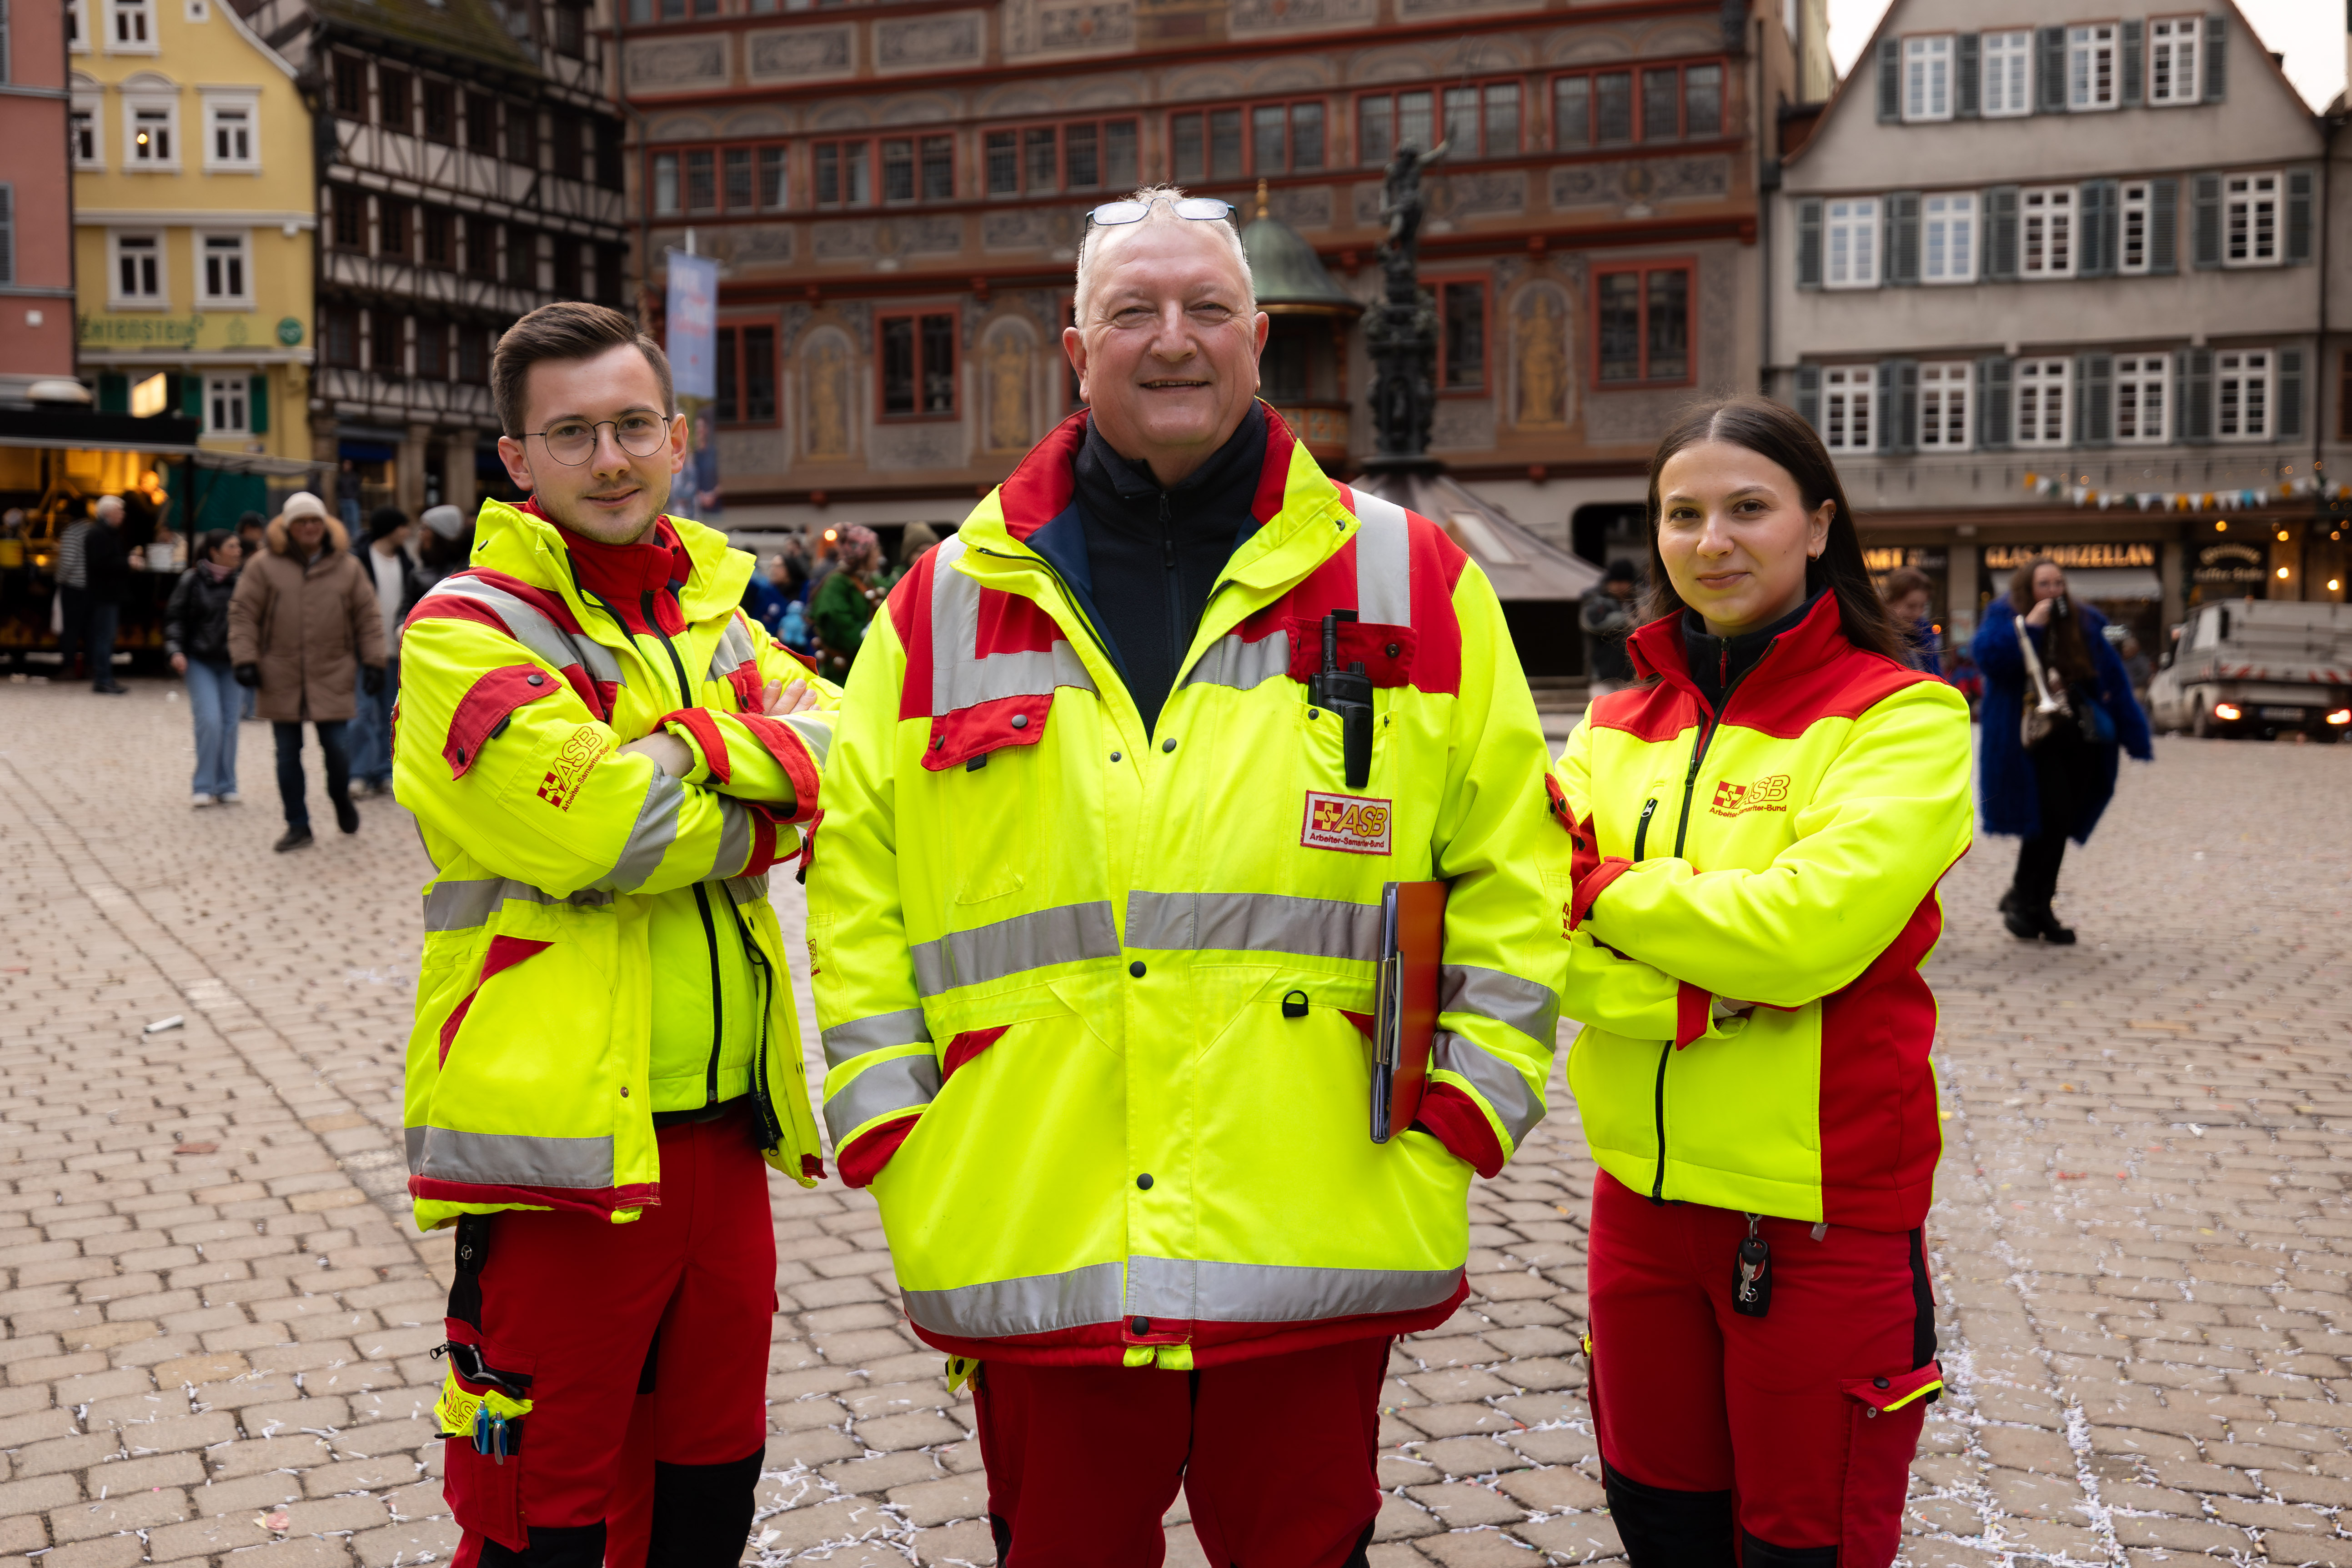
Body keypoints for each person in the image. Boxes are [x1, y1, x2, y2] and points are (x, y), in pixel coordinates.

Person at [807, 185, 1560, 1566]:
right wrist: (889, 1119)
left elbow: (1514, 857)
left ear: (1257, 337)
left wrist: (1472, 1097)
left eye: (1205, 309)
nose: (1171, 340)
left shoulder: (1409, 575)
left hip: (1318, 1196)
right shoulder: (943, 600)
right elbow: (857, 873)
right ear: (1072, 346)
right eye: (1132, 312)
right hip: (1030, 1205)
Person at [393, 301, 835, 1565]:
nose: (610, 459)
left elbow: (843, 750)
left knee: (710, 1490)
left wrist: (681, 751)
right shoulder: (461, 630)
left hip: (723, 1142)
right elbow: (601, 833)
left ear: (677, 438)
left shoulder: (721, 618)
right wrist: (761, 803)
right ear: (517, 461)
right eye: (572, 433)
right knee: (543, 1510)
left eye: (632, 426)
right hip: (559, 1161)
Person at [1550, 396, 1972, 1567]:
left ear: (1818, 522)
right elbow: (1538, 935)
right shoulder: (1616, 714)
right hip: (1637, 1200)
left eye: (1748, 508)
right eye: (1682, 515)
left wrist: (1605, 891)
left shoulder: (1903, 716)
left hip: (1818, 1204)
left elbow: (1801, 935)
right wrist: (1695, 995)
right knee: (1663, 1523)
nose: (1711, 541)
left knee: (1806, 1542)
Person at [1970, 558, 2152, 944]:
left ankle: (2037, 902)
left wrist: (2133, 732)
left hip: (2077, 738)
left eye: (2058, 583)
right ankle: (2025, 899)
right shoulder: (2005, 615)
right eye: (2044, 584)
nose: (2053, 591)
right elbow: (1992, 660)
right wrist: (2032, 627)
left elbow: (2111, 677)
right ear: (2027, 588)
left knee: (2060, 822)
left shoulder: (2084, 621)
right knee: (2048, 818)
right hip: (2032, 738)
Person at [227, 492, 386, 852]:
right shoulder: (263, 566)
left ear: (325, 525)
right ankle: (297, 823)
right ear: (288, 527)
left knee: (338, 750)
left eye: (315, 520)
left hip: (333, 671)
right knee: (287, 753)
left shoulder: (347, 567)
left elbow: (368, 616)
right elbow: (243, 613)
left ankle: (340, 797)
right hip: (279, 673)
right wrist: (245, 659)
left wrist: (374, 660)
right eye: (301, 522)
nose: (309, 527)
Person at [168, 530, 248, 803]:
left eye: (239, 547)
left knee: (230, 723)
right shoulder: (191, 581)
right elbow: (175, 618)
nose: (238, 551)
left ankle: (226, 785)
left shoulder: (244, 582)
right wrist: (175, 650)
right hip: (199, 660)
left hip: (232, 662)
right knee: (210, 721)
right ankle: (203, 785)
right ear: (214, 551)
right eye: (232, 546)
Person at [346, 506, 414, 797]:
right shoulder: (359, 560)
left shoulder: (407, 562)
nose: (408, 533)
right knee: (361, 713)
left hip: (397, 652)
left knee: (393, 714)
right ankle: (358, 773)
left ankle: (385, 771)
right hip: (364, 652)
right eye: (403, 527)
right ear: (391, 528)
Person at [806, 521, 882, 680]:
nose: (879, 555)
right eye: (875, 549)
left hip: (864, 667)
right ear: (863, 553)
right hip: (842, 675)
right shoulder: (836, 584)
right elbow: (839, 623)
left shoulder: (870, 580)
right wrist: (875, 645)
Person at [82, 496, 131, 694]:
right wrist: (128, 563)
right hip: (103, 594)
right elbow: (101, 563)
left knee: (105, 637)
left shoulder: (105, 533)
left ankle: (105, 677)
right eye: (119, 510)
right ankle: (103, 678)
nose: (123, 514)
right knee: (104, 637)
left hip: (107, 594)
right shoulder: (99, 534)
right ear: (108, 513)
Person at [1580, 558, 1639, 697]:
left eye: (1624, 582)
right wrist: (1626, 620)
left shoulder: (1635, 601)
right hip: (1601, 672)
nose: (1620, 586)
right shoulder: (1596, 600)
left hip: (1630, 673)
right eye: (1616, 582)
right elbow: (1590, 624)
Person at [1879, 566, 1942, 677]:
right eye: (1911, 606)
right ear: (1890, 602)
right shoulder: (1878, 638)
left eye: (1923, 606)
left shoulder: (1927, 635)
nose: (1918, 613)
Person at [236, 511, 269, 718]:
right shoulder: (244, 550)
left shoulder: (255, 551)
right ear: (249, 530)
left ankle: (250, 708)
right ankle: (248, 709)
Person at [336, 457, 363, 530]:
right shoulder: (341, 477)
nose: (346, 466)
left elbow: (358, 488)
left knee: (354, 520)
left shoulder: (354, 476)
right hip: (343, 501)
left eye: (348, 464)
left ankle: (356, 538)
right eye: (345, 464)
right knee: (346, 521)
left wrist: (354, 497)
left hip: (352, 501)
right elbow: (338, 488)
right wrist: (340, 498)